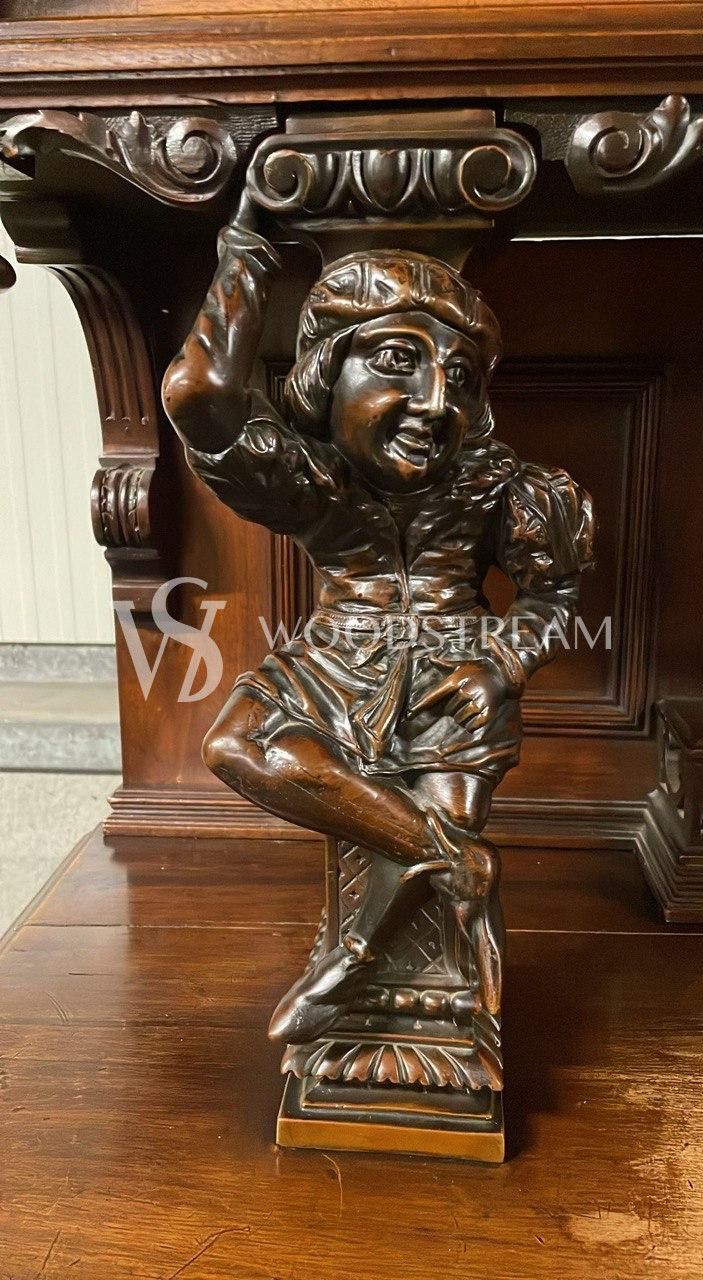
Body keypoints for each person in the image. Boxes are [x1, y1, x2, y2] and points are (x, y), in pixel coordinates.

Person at [162, 202, 594, 1048]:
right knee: (236, 744)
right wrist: (246, 250)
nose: (435, 403)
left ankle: (356, 964)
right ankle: (459, 863)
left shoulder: (501, 486)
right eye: (398, 361)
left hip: (457, 676)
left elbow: (555, 596)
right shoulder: (313, 477)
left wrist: (503, 664)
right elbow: (200, 394)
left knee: (450, 798)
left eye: (461, 378)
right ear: (329, 374)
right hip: (332, 662)